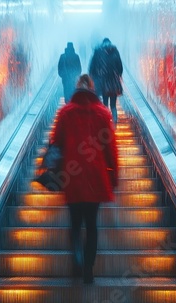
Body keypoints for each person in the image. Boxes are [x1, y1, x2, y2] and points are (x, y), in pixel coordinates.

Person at [51, 74, 118, 284]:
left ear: (76, 89)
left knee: (75, 223)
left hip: (71, 178)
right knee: (91, 224)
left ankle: (77, 261)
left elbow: (56, 142)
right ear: (92, 89)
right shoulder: (102, 113)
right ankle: (88, 268)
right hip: (95, 179)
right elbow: (110, 148)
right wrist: (113, 176)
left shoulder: (65, 112)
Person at [88, 38, 123, 124]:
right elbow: (120, 67)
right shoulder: (115, 51)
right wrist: (118, 74)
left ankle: (105, 122)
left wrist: (93, 77)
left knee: (105, 103)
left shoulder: (98, 52)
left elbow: (92, 67)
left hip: (103, 82)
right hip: (114, 82)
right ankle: (114, 123)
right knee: (113, 105)